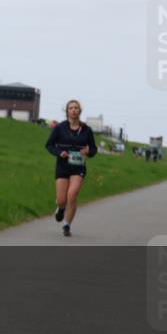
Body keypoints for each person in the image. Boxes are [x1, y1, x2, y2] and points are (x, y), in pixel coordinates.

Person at [45, 99, 97, 237]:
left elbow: (93, 149)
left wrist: (88, 152)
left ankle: (67, 225)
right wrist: (59, 152)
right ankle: (61, 208)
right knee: (61, 200)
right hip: (63, 166)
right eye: (71, 108)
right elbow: (49, 145)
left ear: (80, 111)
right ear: (67, 111)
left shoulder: (86, 130)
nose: (73, 110)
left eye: (76, 107)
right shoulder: (60, 128)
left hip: (78, 167)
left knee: (72, 195)